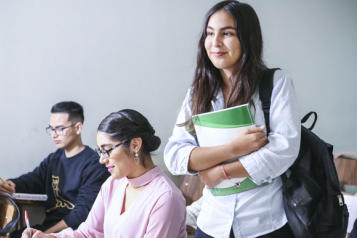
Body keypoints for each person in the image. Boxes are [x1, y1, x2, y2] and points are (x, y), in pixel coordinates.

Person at [164, 1, 301, 238]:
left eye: (227, 33)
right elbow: (174, 155)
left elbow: (283, 151)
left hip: (264, 221)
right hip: (212, 222)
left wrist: (220, 173)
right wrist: (233, 148)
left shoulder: (275, 83)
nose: (215, 42)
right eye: (209, 33)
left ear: (247, 38)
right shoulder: (198, 91)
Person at [22, 109, 187, 238]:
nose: (101, 159)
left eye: (107, 150)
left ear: (135, 144)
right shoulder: (113, 184)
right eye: (99, 151)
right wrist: (49, 237)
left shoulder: (166, 197)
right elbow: (88, 233)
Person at [0, 101, 109, 238]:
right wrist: (11, 184)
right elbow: (33, 180)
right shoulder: (54, 159)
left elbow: (82, 214)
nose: (53, 135)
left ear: (78, 128)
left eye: (59, 129)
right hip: (49, 227)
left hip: (76, 231)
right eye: (51, 129)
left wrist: (46, 235)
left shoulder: (94, 164)